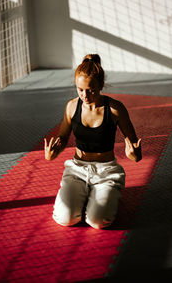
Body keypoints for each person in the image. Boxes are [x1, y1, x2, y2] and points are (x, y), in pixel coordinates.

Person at [44, 54, 142, 229]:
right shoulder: (71, 106)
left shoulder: (115, 109)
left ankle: (108, 194)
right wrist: (52, 153)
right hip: (77, 169)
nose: (85, 95)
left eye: (91, 90)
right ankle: (88, 195)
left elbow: (135, 150)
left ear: (101, 85)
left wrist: (134, 155)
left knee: (98, 221)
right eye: (80, 89)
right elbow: (63, 138)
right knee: (65, 219)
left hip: (106, 171)